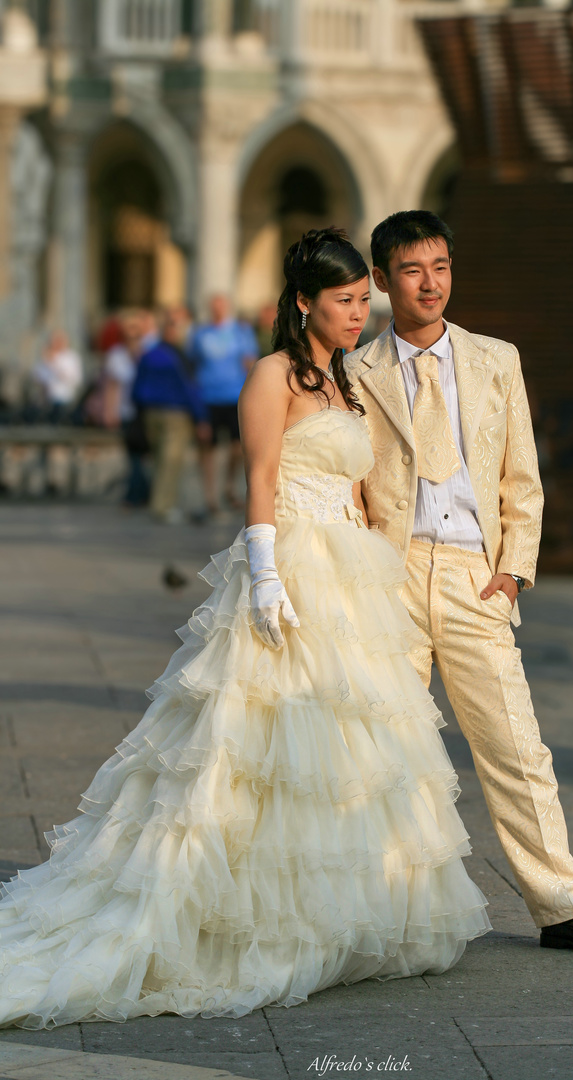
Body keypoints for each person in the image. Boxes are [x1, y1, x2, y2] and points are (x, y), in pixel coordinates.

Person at [0, 228, 490, 1029]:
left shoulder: (343, 380)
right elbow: (260, 478)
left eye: (363, 300)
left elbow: (356, 484)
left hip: (350, 578)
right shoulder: (273, 376)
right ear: (303, 303)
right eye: (344, 301)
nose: (359, 313)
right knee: (261, 742)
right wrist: (265, 576)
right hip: (292, 565)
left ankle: (355, 901)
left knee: (351, 746)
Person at [345, 211, 573, 956]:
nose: (430, 282)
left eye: (441, 265)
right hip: (395, 575)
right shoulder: (357, 371)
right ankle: (392, 909)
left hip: (476, 576)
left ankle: (562, 907)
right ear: (382, 281)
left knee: (517, 747)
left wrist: (511, 573)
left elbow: (521, 477)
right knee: (392, 752)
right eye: (412, 270)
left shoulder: (494, 359)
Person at [133, 306, 211, 524]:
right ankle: (163, 506)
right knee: (171, 462)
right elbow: (190, 389)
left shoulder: (149, 354)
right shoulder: (178, 357)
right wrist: (201, 417)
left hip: (151, 413)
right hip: (176, 415)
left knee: (160, 461)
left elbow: (137, 387)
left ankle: (161, 502)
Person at [190, 294, 259, 514]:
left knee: (237, 447)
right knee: (206, 447)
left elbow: (250, 362)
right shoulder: (200, 333)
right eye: (214, 307)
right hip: (207, 397)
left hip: (234, 396)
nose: (217, 311)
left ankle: (229, 485)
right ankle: (210, 496)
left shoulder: (241, 332)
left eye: (221, 306)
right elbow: (191, 363)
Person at [102, 310, 151, 507]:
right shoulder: (116, 355)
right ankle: (135, 495)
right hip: (127, 411)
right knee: (133, 456)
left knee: (144, 456)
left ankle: (141, 493)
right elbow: (112, 386)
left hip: (146, 411)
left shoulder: (148, 352)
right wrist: (110, 411)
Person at [32, 331, 83, 424]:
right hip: (45, 399)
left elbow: (75, 379)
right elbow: (37, 377)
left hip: (64, 398)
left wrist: (54, 363)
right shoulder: (46, 357)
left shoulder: (71, 357)